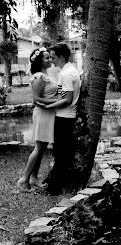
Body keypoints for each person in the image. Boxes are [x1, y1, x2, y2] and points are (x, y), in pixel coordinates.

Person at [17, 47, 59, 190]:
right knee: (39, 147)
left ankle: (34, 178)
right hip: (42, 114)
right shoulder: (38, 77)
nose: (50, 60)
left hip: (49, 114)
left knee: (42, 148)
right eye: (46, 58)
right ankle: (24, 179)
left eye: (50, 57)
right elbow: (36, 100)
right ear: (39, 61)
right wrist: (56, 102)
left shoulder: (48, 75)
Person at [43, 43, 81, 193]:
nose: (51, 60)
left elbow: (68, 99)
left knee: (61, 154)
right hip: (64, 116)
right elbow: (62, 94)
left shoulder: (66, 74)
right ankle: (57, 184)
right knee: (60, 152)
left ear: (61, 57)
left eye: (53, 57)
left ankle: (56, 187)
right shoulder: (66, 71)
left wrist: (49, 107)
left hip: (65, 118)